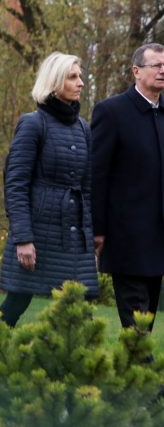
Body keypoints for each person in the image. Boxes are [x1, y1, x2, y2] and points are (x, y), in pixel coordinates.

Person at [0, 52, 98, 325]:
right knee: (18, 299)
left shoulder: (83, 129)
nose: (80, 83)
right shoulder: (33, 123)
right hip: (39, 231)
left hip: (75, 234)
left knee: (80, 302)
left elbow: (87, 188)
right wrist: (23, 238)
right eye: (73, 77)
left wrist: (92, 233)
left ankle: (75, 362)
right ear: (55, 82)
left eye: (80, 77)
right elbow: (16, 184)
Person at [92, 43, 164, 330]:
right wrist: (98, 228)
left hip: (159, 239)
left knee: (146, 323)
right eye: (156, 65)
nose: (162, 71)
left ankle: (137, 374)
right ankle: (143, 374)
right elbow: (97, 174)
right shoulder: (111, 112)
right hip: (126, 237)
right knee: (136, 323)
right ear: (136, 71)